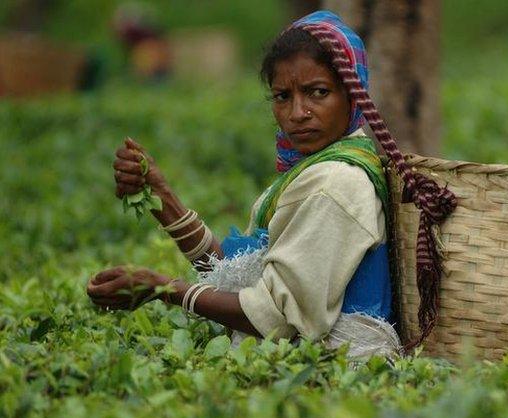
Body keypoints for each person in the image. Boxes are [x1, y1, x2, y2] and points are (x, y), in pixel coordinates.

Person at [87, 11, 456, 358]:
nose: (297, 113)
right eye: (283, 96)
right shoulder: (312, 172)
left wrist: (161, 288)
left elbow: (275, 315)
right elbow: (236, 279)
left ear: (353, 95)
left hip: (338, 374)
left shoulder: (337, 183)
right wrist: (161, 197)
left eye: (318, 92)